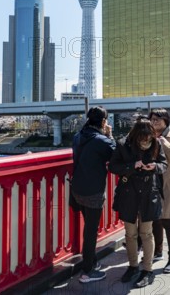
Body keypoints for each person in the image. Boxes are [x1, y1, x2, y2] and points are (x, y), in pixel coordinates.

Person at [109, 118, 167, 288]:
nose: (146, 141)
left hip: (150, 192)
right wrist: (132, 165)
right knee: (130, 233)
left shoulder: (157, 143)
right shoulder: (123, 144)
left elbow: (164, 164)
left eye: (148, 137)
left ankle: (147, 270)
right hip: (129, 193)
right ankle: (133, 266)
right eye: (142, 138)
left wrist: (154, 167)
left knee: (147, 233)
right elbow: (112, 167)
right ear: (135, 135)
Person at [71, 106, 116, 284]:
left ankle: (92, 262)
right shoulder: (101, 140)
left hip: (77, 189)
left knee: (88, 228)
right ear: (104, 121)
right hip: (93, 191)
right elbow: (116, 155)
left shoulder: (78, 136)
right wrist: (109, 135)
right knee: (91, 232)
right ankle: (87, 271)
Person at [149, 108, 170, 274]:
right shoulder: (148, 135)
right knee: (155, 219)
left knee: (168, 221)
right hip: (152, 182)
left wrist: (164, 142)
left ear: (166, 121)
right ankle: (158, 251)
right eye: (152, 119)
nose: (154, 122)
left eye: (158, 119)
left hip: (167, 182)